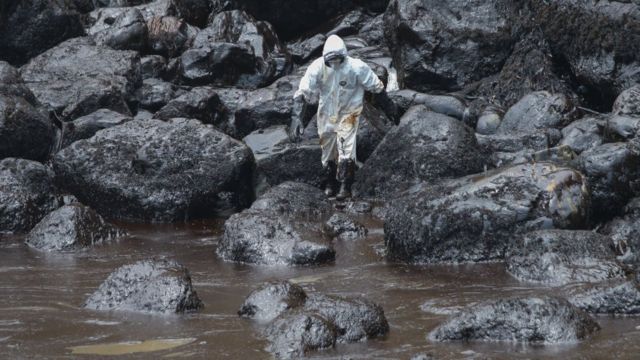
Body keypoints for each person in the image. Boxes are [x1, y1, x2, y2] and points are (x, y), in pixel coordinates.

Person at [289, 35, 397, 200]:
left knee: (347, 147)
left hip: (349, 112)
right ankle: (330, 182)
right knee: (327, 149)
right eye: (330, 60)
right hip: (326, 113)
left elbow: (376, 87)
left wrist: (390, 109)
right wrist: (296, 117)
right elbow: (303, 91)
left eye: (337, 59)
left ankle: (345, 185)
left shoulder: (357, 67)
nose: (334, 63)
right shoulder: (317, 67)